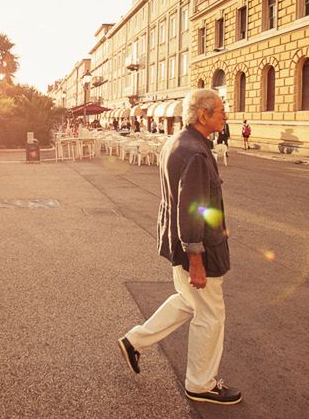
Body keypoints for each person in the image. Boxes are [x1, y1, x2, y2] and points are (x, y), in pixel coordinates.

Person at [119, 88, 241, 406]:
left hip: (177, 244)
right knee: (211, 315)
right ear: (203, 115)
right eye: (220, 110)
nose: (225, 114)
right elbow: (192, 208)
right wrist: (196, 258)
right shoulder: (197, 153)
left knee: (188, 302)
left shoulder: (177, 142)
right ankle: (201, 383)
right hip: (199, 248)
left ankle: (135, 341)